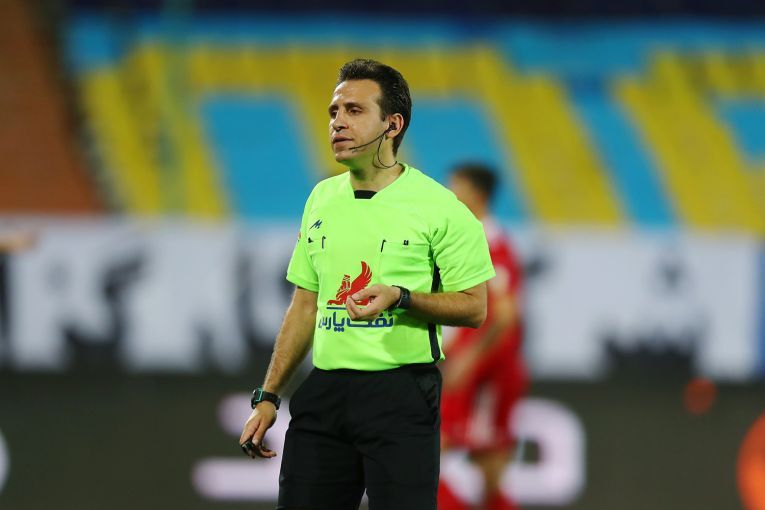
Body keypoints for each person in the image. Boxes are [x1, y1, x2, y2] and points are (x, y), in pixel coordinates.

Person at [238, 59, 496, 510]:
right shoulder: (321, 198)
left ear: (392, 125)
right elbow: (304, 306)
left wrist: (402, 298)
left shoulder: (442, 208)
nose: (338, 122)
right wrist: (268, 396)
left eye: (354, 111)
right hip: (326, 391)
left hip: (401, 395)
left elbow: (475, 307)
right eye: (334, 111)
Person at [438, 163, 528, 510]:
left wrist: (469, 358)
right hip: (474, 368)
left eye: (455, 186)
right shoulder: (465, 237)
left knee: (436, 450)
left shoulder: (492, 244)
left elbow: (505, 315)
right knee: (486, 470)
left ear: (476, 194)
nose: (448, 193)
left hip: (486, 373)